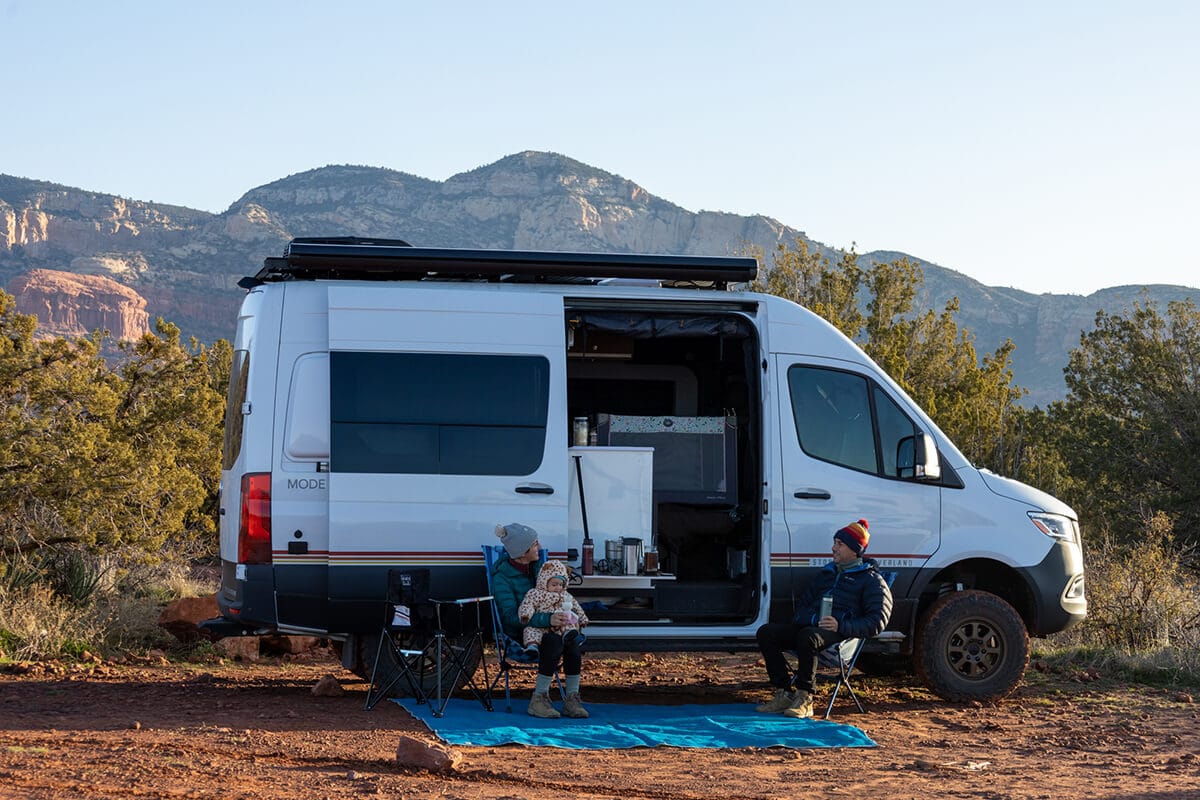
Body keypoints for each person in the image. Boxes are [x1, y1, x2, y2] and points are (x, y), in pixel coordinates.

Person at [755, 518, 893, 718]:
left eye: (839, 544)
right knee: (766, 632)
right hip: (812, 628)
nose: (833, 548)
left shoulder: (871, 580)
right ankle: (784, 693)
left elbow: (877, 622)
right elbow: (802, 606)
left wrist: (840, 625)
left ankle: (805, 698)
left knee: (808, 637)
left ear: (855, 550)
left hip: (841, 637)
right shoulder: (826, 574)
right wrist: (812, 619)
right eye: (835, 542)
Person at [491, 523, 589, 719]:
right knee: (553, 642)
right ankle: (538, 699)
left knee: (572, 643)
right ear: (522, 550)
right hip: (524, 634)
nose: (540, 547)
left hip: (553, 627)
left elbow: (560, 592)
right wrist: (547, 619)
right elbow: (510, 618)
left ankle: (571, 699)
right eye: (535, 544)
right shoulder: (502, 578)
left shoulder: (541, 568)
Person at [518, 559, 588, 654]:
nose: (558, 587)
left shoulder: (565, 595)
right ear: (544, 582)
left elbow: (576, 606)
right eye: (554, 584)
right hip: (540, 626)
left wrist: (582, 619)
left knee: (568, 624)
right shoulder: (536, 593)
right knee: (530, 631)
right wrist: (525, 615)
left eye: (560, 585)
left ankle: (568, 635)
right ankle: (532, 647)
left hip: (560, 624)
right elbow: (528, 604)